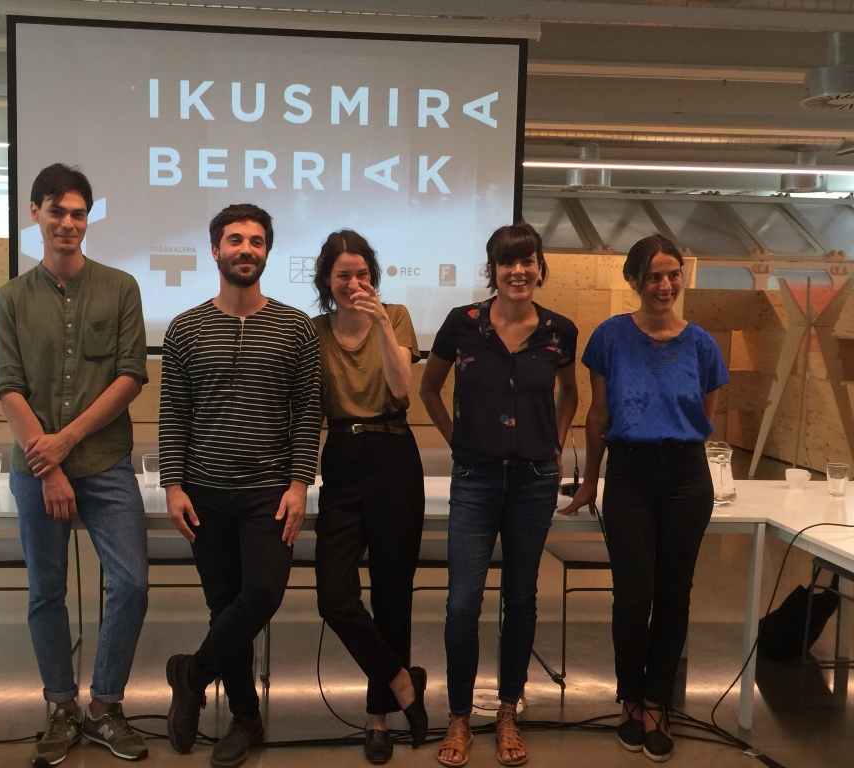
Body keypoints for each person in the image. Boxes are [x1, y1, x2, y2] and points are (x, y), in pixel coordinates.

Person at [0, 163, 150, 766]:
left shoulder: (121, 287)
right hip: (37, 470)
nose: (67, 222)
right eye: (56, 211)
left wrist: (67, 442)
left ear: (88, 219)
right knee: (46, 592)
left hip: (105, 462)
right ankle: (61, 707)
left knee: (131, 584)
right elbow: (9, 387)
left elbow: (130, 376)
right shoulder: (11, 297)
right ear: (35, 212)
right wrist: (50, 464)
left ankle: (104, 706)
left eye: (78, 213)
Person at [159, 203, 321, 768]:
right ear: (215, 250)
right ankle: (246, 718)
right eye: (235, 240)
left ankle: (191, 675)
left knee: (262, 597)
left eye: (256, 241)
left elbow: (308, 413)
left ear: (267, 252)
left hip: (268, 494)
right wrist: (173, 485)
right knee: (224, 606)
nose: (245, 249)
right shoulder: (185, 328)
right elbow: (173, 412)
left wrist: (299, 484)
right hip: (204, 492)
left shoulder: (296, 328)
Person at [561, 234, 727, 762]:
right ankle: (629, 698)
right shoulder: (610, 337)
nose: (665, 284)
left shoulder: (701, 344)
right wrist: (590, 479)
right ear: (634, 280)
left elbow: (704, 416)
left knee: (674, 595)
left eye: (673, 274)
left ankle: (658, 705)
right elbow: (599, 414)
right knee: (633, 596)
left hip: (685, 477)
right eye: (654, 276)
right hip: (629, 475)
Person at [420, 222, 578, 768]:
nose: (518, 271)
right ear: (493, 270)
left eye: (527, 260)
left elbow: (570, 394)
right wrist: (457, 441)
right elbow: (428, 389)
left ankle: (508, 710)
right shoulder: (462, 324)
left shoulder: (559, 331)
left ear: (539, 267)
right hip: (475, 480)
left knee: (522, 598)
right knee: (463, 602)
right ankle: (459, 715)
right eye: (507, 262)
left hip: (534, 481)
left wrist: (556, 443)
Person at [310, 230, 428, 765]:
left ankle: (378, 719)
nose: (354, 283)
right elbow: (308, 409)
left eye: (362, 274)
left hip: (394, 454)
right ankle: (402, 681)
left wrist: (380, 323)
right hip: (341, 455)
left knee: (392, 593)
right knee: (334, 596)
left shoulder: (395, 316)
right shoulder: (313, 332)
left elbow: (401, 389)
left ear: (374, 277)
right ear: (326, 280)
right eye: (343, 275)